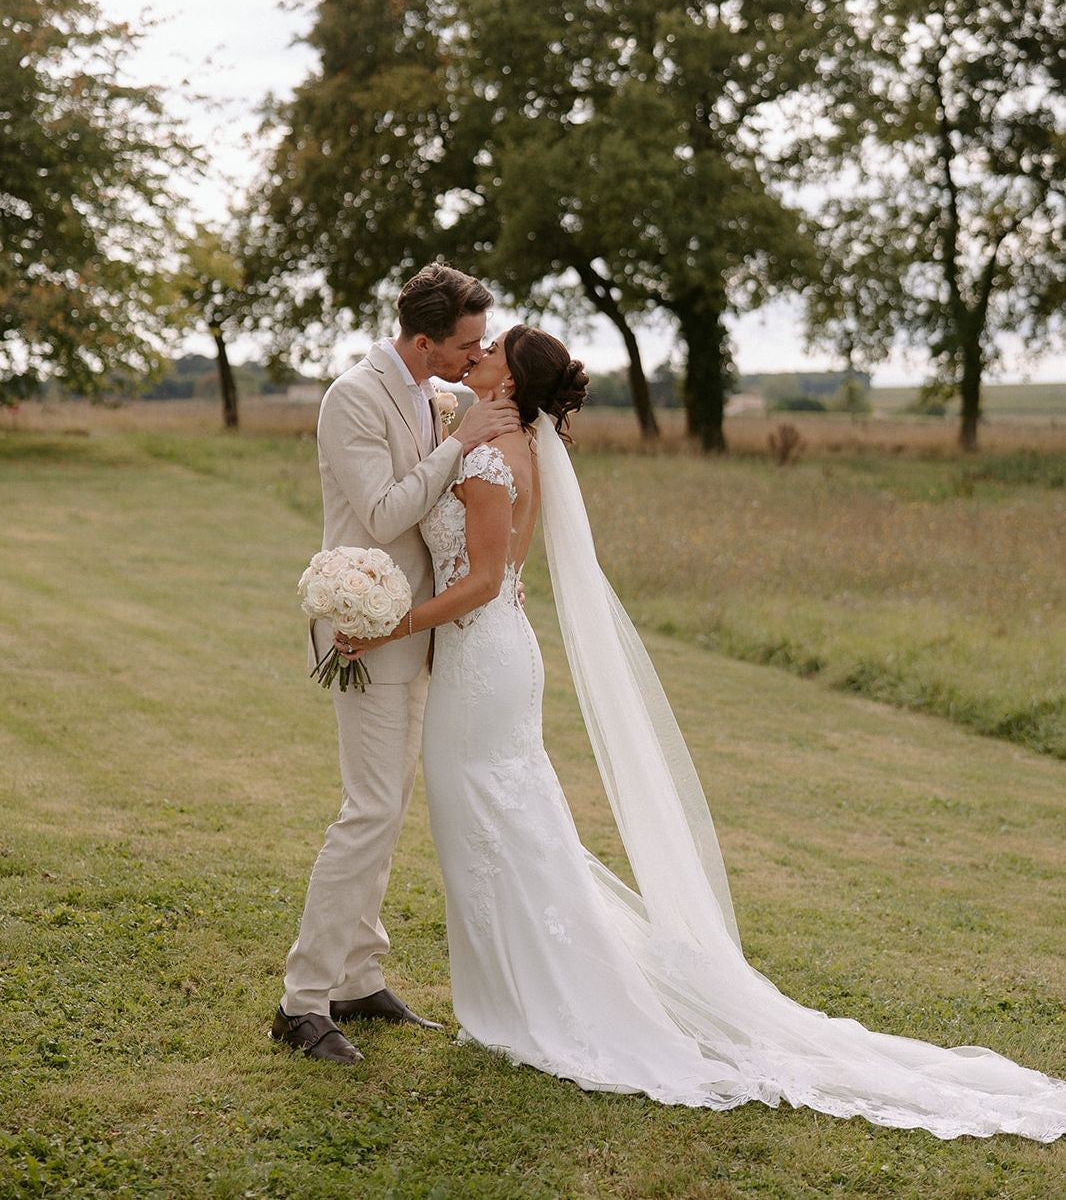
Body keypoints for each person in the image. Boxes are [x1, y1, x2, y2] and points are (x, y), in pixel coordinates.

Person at [335, 323, 1066, 1140]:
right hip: (494, 654)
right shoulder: (500, 443)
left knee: (492, 821)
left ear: (512, 379)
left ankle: (535, 1002)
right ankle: (515, 991)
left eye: (492, 349)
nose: (477, 354)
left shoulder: (488, 457)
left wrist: (392, 622)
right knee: (504, 822)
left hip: (482, 661)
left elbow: (476, 584)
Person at [271, 263, 520, 1065]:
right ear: (422, 340)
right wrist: (456, 445)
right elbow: (380, 513)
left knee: (390, 801)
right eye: (465, 343)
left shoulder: (429, 391)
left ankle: (357, 972)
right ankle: (302, 1000)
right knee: (370, 807)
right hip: (364, 627)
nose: (474, 355)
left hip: (413, 627)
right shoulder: (353, 397)